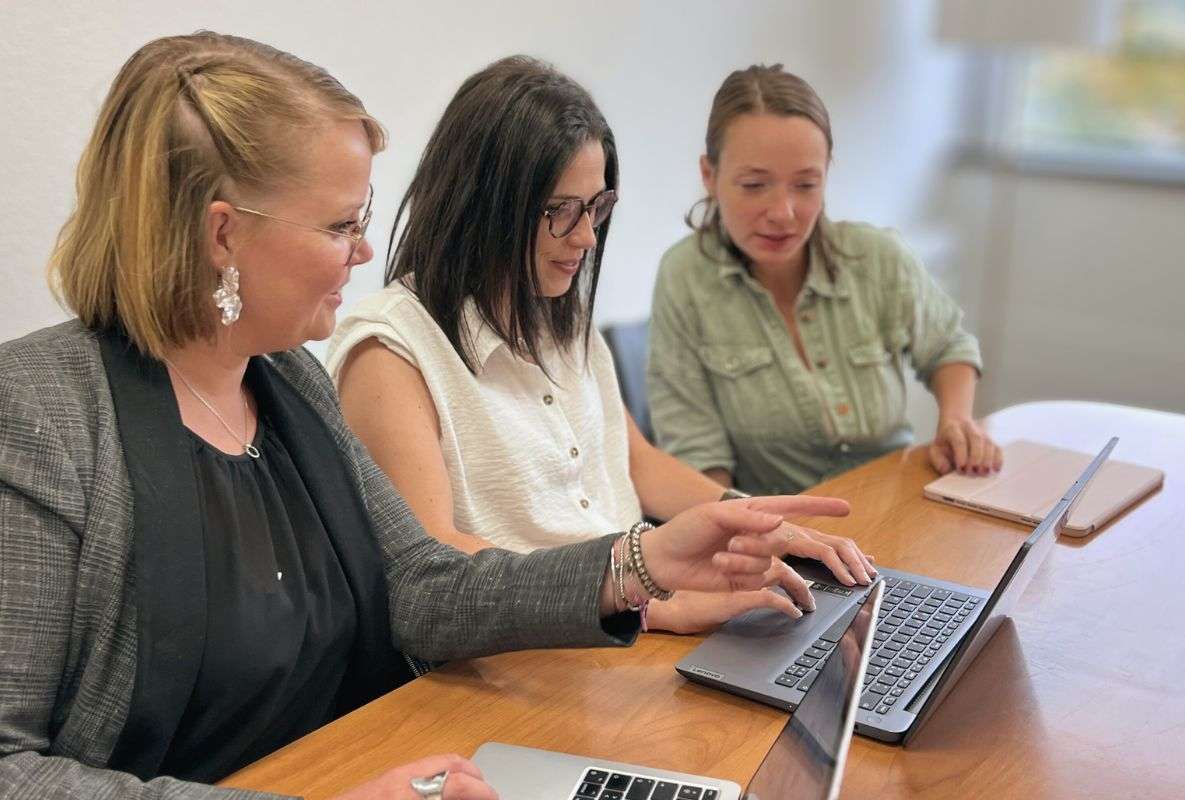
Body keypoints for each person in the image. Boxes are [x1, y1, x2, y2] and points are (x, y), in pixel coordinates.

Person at [0, 35, 845, 800]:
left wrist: (640, 563)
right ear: (222, 236)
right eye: (342, 224)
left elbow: (423, 586)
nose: (365, 251)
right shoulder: (41, 412)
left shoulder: (289, 382)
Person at [327, 56, 875, 638]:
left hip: (628, 622)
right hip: (539, 649)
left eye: (596, 207)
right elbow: (436, 568)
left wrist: (755, 521)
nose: (587, 236)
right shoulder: (391, 352)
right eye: (561, 211)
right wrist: (647, 601)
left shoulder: (556, 315)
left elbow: (635, 461)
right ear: (483, 204)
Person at [647, 64, 1003, 497]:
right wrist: (739, 525)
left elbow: (948, 345)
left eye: (806, 185)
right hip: (775, 521)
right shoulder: (684, 278)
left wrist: (956, 421)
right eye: (755, 185)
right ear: (709, 175)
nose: (783, 213)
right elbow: (698, 456)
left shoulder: (878, 257)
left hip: (894, 502)